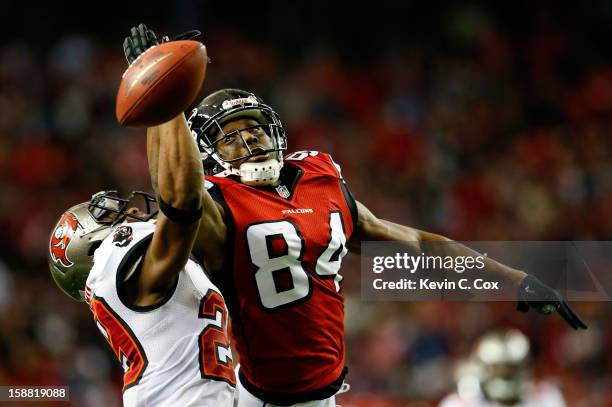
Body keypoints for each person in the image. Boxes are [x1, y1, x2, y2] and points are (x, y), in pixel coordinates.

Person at [125, 24, 587, 407]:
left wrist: (515, 278)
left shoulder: (318, 176)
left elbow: (418, 244)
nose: (250, 144)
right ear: (205, 152)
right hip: (264, 399)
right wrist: (164, 103)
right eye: (231, 137)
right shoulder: (216, 201)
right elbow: (177, 196)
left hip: (325, 395)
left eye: (255, 129)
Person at [47, 115, 236, 406]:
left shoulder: (132, 279)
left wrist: (155, 112)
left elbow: (167, 192)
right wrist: (169, 109)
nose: (134, 213)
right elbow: (182, 205)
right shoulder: (113, 260)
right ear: (90, 246)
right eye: (116, 216)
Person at [439, 329, 567, 407]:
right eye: (497, 369)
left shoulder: (545, 399)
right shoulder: (460, 403)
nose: (504, 376)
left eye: (510, 369)